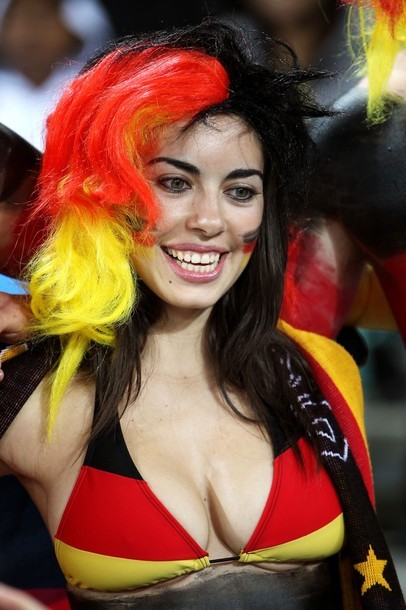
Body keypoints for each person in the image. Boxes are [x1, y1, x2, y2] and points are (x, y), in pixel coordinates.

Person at [0, 19, 404, 609]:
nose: (209, 220)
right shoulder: (36, 398)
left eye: (240, 191)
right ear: (104, 194)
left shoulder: (322, 371)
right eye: (174, 183)